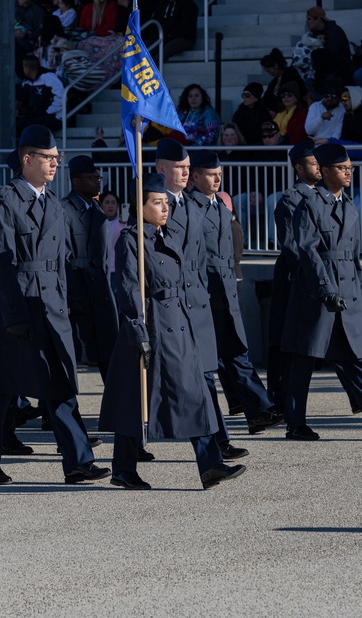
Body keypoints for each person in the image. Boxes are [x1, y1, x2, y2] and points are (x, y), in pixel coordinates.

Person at [0, 126, 110, 485]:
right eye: (48, 158)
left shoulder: (52, 203)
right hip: (18, 308)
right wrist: (14, 316)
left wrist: (67, 305)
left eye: (57, 158)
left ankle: (78, 460)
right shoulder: (7, 202)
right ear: (27, 159)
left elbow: (62, 260)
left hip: (51, 306)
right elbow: (0, 262)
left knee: (60, 382)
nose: (55, 163)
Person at [97, 172, 246, 491]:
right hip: (150, 329)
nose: (164, 208)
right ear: (140, 206)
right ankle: (124, 468)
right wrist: (140, 333)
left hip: (178, 324)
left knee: (194, 393)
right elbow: (128, 290)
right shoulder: (131, 239)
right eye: (156, 203)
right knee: (135, 401)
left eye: (166, 202)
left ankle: (209, 464)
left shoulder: (167, 236)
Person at [280, 142, 362, 440]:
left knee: (354, 357)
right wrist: (326, 289)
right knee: (303, 358)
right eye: (342, 169)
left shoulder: (348, 204)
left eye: (350, 168)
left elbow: (352, 254)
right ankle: (295, 423)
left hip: (346, 291)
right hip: (317, 292)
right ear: (325, 171)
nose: (348, 173)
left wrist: (357, 290)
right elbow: (307, 250)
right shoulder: (310, 204)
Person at [157, 138, 246, 459]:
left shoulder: (192, 205)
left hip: (198, 303)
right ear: (161, 169)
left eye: (186, 167)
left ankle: (216, 447)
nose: (184, 173)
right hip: (170, 307)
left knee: (205, 377)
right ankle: (128, 453)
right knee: (147, 386)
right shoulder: (154, 204)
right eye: (179, 168)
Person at [189, 149, 284, 434]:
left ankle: (258, 411)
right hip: (203, 292)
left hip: (225, 290)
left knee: (234, 352)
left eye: (219, 174)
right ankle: (256, 409)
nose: (217, 179)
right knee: (219, 358)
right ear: (195, 176)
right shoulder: (188, 208)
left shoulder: (220, 206)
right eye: (210, 174)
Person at [266, 142, 320, 409]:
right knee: (283, 337)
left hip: (317, 275)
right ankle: (277, 397)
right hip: (294, 275)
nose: (318, 168)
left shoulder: (321, 195)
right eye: (313, 163)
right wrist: (310, 276)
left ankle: (361, 398)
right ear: (299, 168)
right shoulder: (291, 199)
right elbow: (292, 245)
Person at [60, 156, 119, 380]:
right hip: (77, 296)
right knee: (72, 358)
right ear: (76, 182)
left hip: (100, 294)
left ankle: (118, 412)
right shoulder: (63, 210)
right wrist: (71, 296)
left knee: (110, 357)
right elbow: (63, 256)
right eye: (92, 178)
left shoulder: (98, 211)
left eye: (98, 177)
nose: (98, 182)